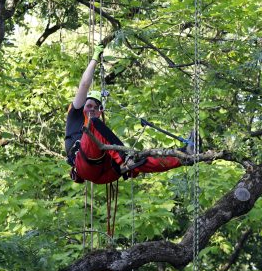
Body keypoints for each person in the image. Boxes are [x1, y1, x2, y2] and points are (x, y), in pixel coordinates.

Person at [65, 43, 189, 184]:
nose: (91, 109)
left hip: (104, 173)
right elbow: (84, 84)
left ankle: (184, 155)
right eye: (88, 106)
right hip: (85, 166)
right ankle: (125, 157)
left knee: (141, 160)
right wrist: (94, 59)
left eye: (95, 107)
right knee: (96, 127)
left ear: (100, 112)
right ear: (82, 106)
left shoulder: (99, 128)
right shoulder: (75, 115)